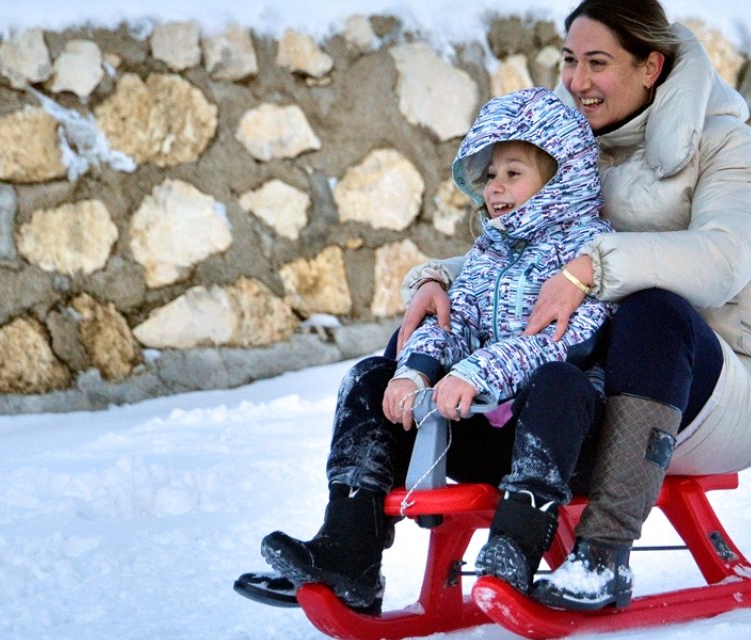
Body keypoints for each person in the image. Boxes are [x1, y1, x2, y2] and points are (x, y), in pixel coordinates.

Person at [396, 0, 751, 611]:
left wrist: (589, 270)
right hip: (584, 387)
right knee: (442, 329)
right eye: (570, 60)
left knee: (651, 309)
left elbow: (721, 262)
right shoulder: (564, 146)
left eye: (599, 62)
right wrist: (435, 281)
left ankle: (603, 556)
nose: (579, 81)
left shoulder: (728, 147)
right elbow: (514, 258)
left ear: (651, 67)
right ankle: (352, 543)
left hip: (720, 389)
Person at [252, 87, 614, 614]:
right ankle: (350, 546)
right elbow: (454, 319)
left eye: (514, 173)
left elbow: (560, 344)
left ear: (562, 178)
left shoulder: (592, 256)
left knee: (560, 385)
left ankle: (515, 548)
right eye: (490, 175)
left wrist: (474, 373)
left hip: (559, 443)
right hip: (480, 430)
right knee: (370, 376)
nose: (495, 187)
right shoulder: (489, 252)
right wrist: (415, 371)